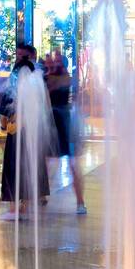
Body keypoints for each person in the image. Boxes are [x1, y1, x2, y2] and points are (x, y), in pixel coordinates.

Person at [46, 50, 86, 214]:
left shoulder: (63, 78)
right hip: (56, 122)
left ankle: (80, 201)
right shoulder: (54, 77)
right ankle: (39, 196)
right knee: (48, 163)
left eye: (57, 61)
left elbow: (57, 88)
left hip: (64, 123)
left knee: (71, 164)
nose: (54, 63)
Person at [0, 49, 36, 220]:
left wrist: (5, 125)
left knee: (13, 169)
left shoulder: (11, 90)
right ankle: (25, 207)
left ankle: (14, 209)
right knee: (28, 167)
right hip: (32, 134)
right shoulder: (36, 88)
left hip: (15, 134)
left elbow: (3, 118)